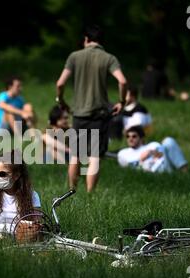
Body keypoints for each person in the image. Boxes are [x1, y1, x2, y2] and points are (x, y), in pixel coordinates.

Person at [56, 24, 128, 192]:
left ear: (86, 39)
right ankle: (90, 194)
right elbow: (122, 81)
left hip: (79, 114)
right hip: (100, 115)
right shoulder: (109, 58)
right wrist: (121, 101)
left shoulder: (74, 56)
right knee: (94, 156)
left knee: (76, 155)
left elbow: (60, 83)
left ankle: (71, 191)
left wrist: (61, 101)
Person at [0, 150, 41, 240]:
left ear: (16, 175)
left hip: (21, 241)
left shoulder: (32, 196)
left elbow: (36, 227)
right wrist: (0, 239)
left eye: (2, 174)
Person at [117, 126, 188, 173]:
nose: (130, 139)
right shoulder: (123, 153)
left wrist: (150, 152)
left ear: (141, 138)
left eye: (134, 136)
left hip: (162, 169)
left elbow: (161, 155)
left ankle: (184, 171)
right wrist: (141, 160)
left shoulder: (152, 145)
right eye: (127, 136)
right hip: (145, 173)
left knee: (168, 141)